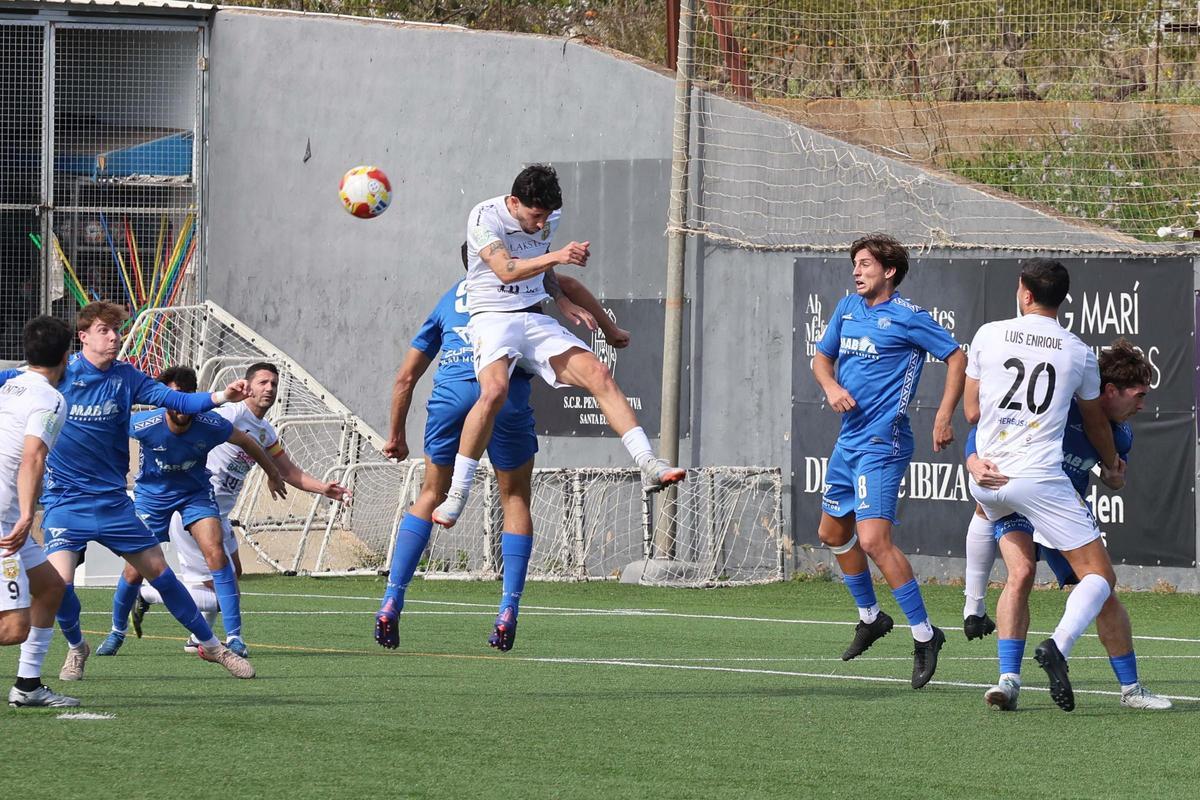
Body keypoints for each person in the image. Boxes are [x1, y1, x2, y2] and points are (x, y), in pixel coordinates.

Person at [376, 243, 630, 652]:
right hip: (503, 398)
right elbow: (565, 286)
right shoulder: (524, 294)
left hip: (452, 396)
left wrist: (396, 435)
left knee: (429, 493)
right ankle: (508, 607)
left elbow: (406, 377)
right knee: (514, 497)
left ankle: (392, 598)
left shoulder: (448, 299)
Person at [432, 164, 682, 528]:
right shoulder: (484, 217)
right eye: (535, 215)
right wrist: (559, 256)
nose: (541, 223)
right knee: (494, 392)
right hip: (492, 317)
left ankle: (648, 463)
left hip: (533, 317)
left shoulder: (549, 217)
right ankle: (457, 492)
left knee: (598, 372)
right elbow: (507, 270)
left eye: (547, 216)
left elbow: (542, 262)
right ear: (514, 202)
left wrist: (561, 299)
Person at [34, 301, 255, 681]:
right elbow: (14, 383)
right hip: (66, 501)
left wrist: (221, 396)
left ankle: (214, 646)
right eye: (105, 330)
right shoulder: (59, 375)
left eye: (117, 330)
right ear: (83, 337)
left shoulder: (127, 377)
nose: (114, 336)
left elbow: (180, 401)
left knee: (161, 576)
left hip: (114, 502)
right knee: (59, 584)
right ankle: (76, 646)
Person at [964, 339, 1170, 710]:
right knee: (1021, 572)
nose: (1142, 406)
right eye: (1138, 395)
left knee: (1103, 593)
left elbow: (1112, 473)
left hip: (1061, 510)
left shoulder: (1121, 434)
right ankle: (1008, 681)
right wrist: (973, 459)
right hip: (1027, 497)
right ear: (1110, 390)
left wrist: (1114, 479)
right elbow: (988, 427)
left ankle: (1131, 689)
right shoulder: (1063, 405)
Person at [966, 258, 1124, 712]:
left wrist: (977, 457)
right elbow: (1095, 423)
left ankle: (978, 620)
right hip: (1039, 480)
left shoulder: (988, 334)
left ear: (1024, 291)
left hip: (988, 479)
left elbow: (972, 411)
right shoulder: (1077, 351)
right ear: (1062, 297)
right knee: (1100, 576)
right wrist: (1112, 466)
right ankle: (1057, 646)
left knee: (1015, 567)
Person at [813, 233, 966, 689]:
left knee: (875, 540)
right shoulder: (846, 308)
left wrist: (943, 416)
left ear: (889, 270)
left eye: (864, 264)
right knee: (831, 532)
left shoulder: (908, 318)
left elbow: (957, 357)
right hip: (849, 441)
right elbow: (822, 360)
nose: (856, 271)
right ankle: (871, 617)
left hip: (885, 440)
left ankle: (925, 635)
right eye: (854, 264)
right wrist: (831, 387)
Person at [131, 362, 351, 654]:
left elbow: (287, 470)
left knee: (232, 574)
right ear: (247, 386)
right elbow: (191, 421)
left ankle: (196, 636)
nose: (269, 388)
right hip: (195, 508)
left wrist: (323, 489)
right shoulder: (230, 413)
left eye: (273, 383)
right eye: (262, 382)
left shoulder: (266, 431)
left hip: (220, 513)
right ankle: (150, 594)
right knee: (221, 587)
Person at [94, 366, 287, 659]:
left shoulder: (210, 423)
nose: (181, 406)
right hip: (151, 499)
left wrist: (272, 473)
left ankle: (235, 638)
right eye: (174, 397)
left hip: (195, 495)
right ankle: (117, 632)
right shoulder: (144, 424)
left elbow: (248, 441)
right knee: (134, 570)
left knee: (216, 554)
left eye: (186, 397)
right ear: (164, 400)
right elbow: (106, 435)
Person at [1, 316, 78, 707]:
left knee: (50, 587)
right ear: (67, 356)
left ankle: (28, 686)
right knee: (13, 628)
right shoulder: (50, 398)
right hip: (4, 519)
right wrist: (28, 515)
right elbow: (33, 456)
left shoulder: (9, 383)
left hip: (5, 514)